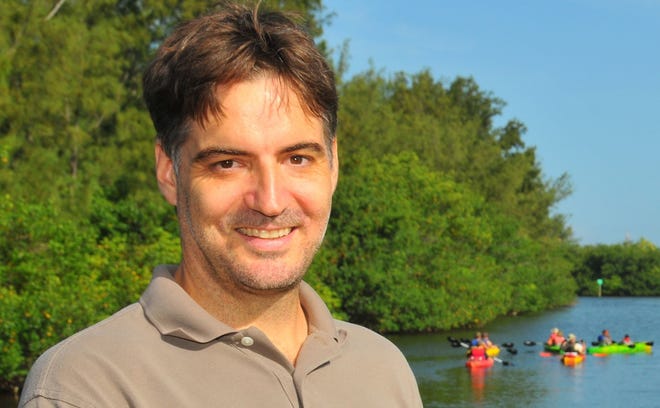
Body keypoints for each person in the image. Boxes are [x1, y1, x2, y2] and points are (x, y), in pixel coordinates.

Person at [18, 3, 423, 407]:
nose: (270, 201)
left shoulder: (383, 368)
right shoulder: (83, 388)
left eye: (297, 158)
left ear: (333, 165)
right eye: (228, 163)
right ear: (168, 172)